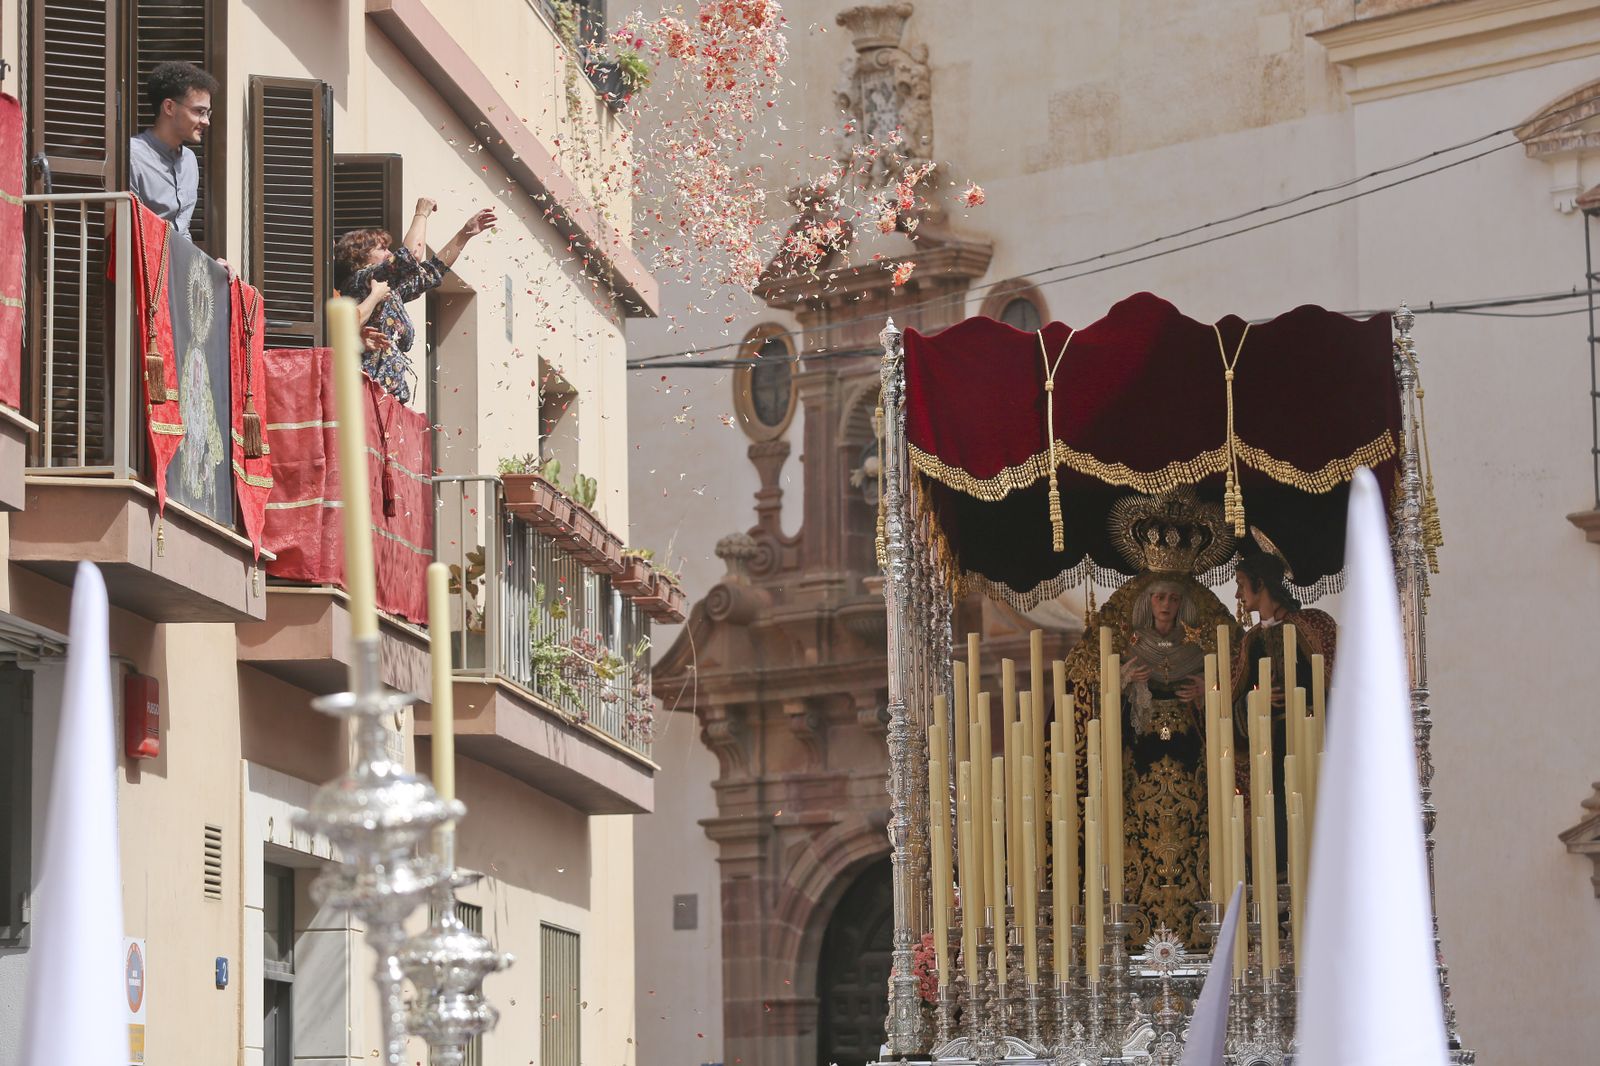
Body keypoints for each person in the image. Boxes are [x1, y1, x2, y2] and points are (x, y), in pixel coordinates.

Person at [333, 198, 496, 403]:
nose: (389, 253)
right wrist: (421, 213)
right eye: (382, 249)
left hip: (387, 398)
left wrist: (464, 234)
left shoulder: (388, 290)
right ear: (359, 256)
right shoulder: (361, 280)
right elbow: (410, 257)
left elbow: (431, 272)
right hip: (365, 396)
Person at [128, 62, 217, 238]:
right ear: (169, 107)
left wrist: (207, 265)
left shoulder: (190, 160)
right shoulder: (132, 156)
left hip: (175, 263)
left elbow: (183, 232)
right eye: (199, 111)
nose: (206, 121)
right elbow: (129, 231)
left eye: (208, 113)